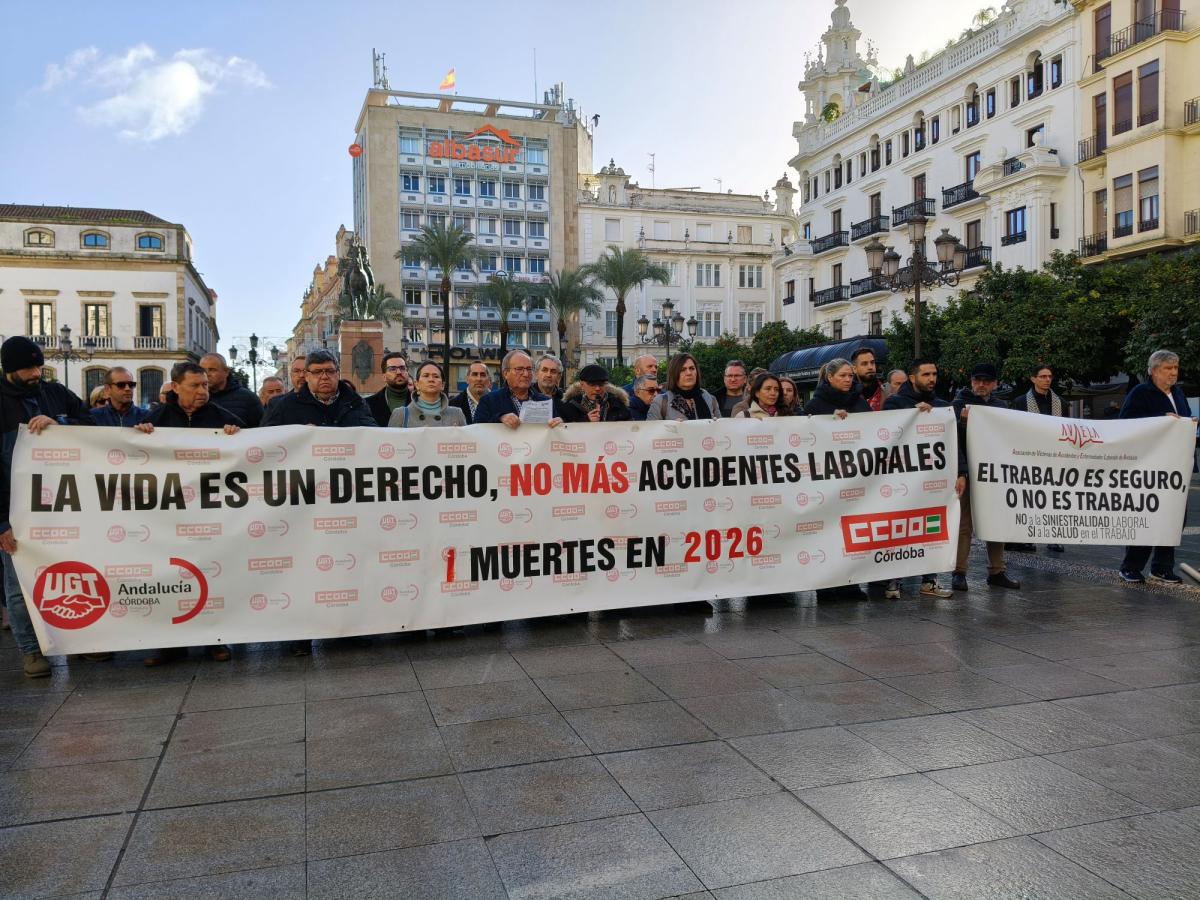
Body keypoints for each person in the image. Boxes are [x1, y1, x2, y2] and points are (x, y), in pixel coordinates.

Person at [135, 362, 241, 665]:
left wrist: (238, 436)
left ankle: (215, 641)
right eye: (195, 386)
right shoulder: (156, 418)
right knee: (170, 578)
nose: (202, 391)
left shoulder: (222, 418)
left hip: (209, 514)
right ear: (176, 387)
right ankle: (169, 645)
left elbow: (250, 449)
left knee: (212, 575)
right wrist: (139, 434)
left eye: (205, 385)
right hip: (169, 516)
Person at [0, 337, 93, 677]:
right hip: (15, 511)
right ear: (9, 369)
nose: (36, 373)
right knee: (18, 585)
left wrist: (60, 425)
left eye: (38, 366)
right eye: (28, 368)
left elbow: (93, 426)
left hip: (65, 503)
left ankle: (82, 642)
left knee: (76, 573)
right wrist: (1, 523)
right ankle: (31, 651)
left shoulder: (56, 394)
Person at [883, 358, 965, 600]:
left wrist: (962, 473)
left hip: (933, 481)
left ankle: (929, 581)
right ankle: (893, 581)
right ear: (912, 377)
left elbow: (953, 444)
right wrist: (914, 415)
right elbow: (884, 434)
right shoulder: (895, 403)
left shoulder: (942, 406)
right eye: (926, 374)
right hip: (901, 481)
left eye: (934, 374)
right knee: (900, 528)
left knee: (931, 529)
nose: (932, 379)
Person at [1118, 350, 1193, 585]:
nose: (1173, 373)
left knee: (1174, 517)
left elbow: (1184, 420)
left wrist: (1189, 424)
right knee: (1146, 515)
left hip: (1176, 466)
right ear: (1153, 371)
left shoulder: (1178, 393)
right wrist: (1161, 420)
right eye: (1167, 368)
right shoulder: (1140, 393)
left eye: (1175, 368)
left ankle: (1162, 568)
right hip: (1149, 466)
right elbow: (1126, 424)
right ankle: (1131, 567)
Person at [950, 364, 1020, 591]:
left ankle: (997, 570)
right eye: (977, 380)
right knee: (964, 524)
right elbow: (953, 440)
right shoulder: (958, 405)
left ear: (995, 384)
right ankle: (959, 571)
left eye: (986, 381)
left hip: (993, 472)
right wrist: (961, 471)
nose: (981, 385)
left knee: (996, 520)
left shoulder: (1000, 406)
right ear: (971, 381)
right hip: (968, 471)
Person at [1010, 363, 1067, 553]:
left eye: (1049, 376)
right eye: (1042, 376)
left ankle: (1054, 537)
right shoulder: (1020, 402)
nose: (1047, 380)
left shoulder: (1061, 403)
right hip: (1029, 457)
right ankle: (1026, 537)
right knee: (1029, 498)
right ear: (1033, 378)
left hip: (1055, 458)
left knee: (1054, 499)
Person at [261, 350, 376, 428]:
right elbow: (268, 439)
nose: (324, 377)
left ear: (338, 374)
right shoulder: (285, 406)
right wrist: (296, 433)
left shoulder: (356, 403)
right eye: (317, 372)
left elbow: (373, 435)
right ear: (307, 376)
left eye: (330, 371)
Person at [473, 350, 566, 427]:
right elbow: (476, 430)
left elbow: (554, 434)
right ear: (506, 374)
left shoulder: (545, 401)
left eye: (529, 369)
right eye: (519, 369)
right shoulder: (489, 401)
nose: (526, 374)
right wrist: (499, 418)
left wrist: (559, 424)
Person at [389, 361, 467, 428]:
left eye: (436, 376)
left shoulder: (456, 414)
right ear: (416, 384)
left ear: (443, 385)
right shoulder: (401, 414)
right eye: (426, 376)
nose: (431, 379)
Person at [647, 353, 721, 421]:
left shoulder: (710, 399)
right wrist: (671, 427)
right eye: (683, 370)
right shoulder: (661, 402)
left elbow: (721, 429)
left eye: (692, 368)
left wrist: (715, 425)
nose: (689, 373)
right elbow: (651, 430)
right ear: (674, 374)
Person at [200, 353, 263, 427]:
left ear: (226, 371)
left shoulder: (248, 398)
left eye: (212, 370)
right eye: (202, 371)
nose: (207, 374)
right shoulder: (195, 397)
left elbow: (261, 429)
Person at [562, 364, 632, 422]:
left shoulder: (618, 405)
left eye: (601, 384)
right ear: (582, 385)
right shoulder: (571, 406)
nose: (597, 388)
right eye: (592, 384)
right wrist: (586, 420)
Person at [365, 352, 411, 426]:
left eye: (402, 368)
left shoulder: (419, 401)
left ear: (407, 372)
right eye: (392, 369)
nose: (399, 372)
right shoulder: (368, 404)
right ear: (384, 377)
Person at [851, 347, 884, 411]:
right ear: (854, 369)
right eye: (864, 364)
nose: (870, 367)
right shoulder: (846, 394)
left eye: (872, 362)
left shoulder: (886, 391)